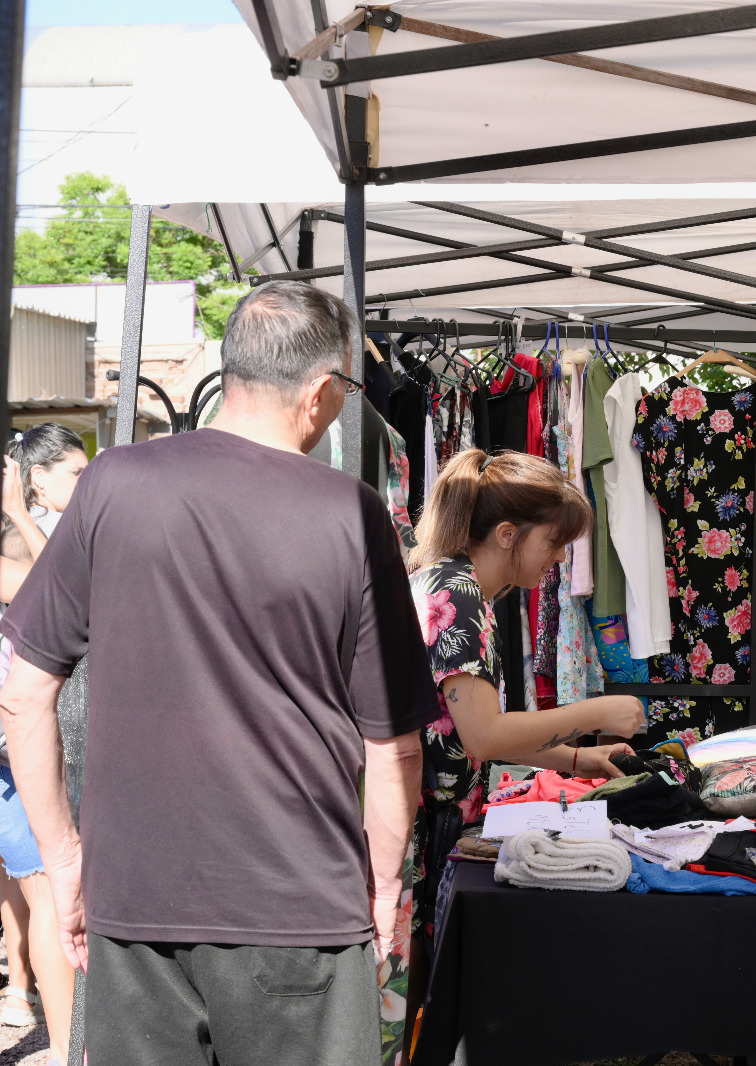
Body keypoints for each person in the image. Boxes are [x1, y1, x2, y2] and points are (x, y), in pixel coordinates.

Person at [0, 280, 437, 1065]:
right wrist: (379, 889)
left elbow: (23, 689)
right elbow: (394, 746)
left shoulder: (110, 484)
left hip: (133, 898)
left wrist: (66, 859)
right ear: (320, 392)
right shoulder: (350, 512)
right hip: (298, 904)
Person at [406, 448, 646, 944]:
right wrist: (596, 712)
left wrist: (578, 759)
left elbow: (471, 731)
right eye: (554, 542)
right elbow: (486, 736)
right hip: (418, 832)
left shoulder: (458, 586)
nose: (559, 558)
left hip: (429, 823)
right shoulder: (460, 596)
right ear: (508, 535)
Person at [0, 453, 69, 1057]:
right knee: (45, 890)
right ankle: (69, 1038)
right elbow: (54, 590)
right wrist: (21, 514)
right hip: (9, 757)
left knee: (34, 887)